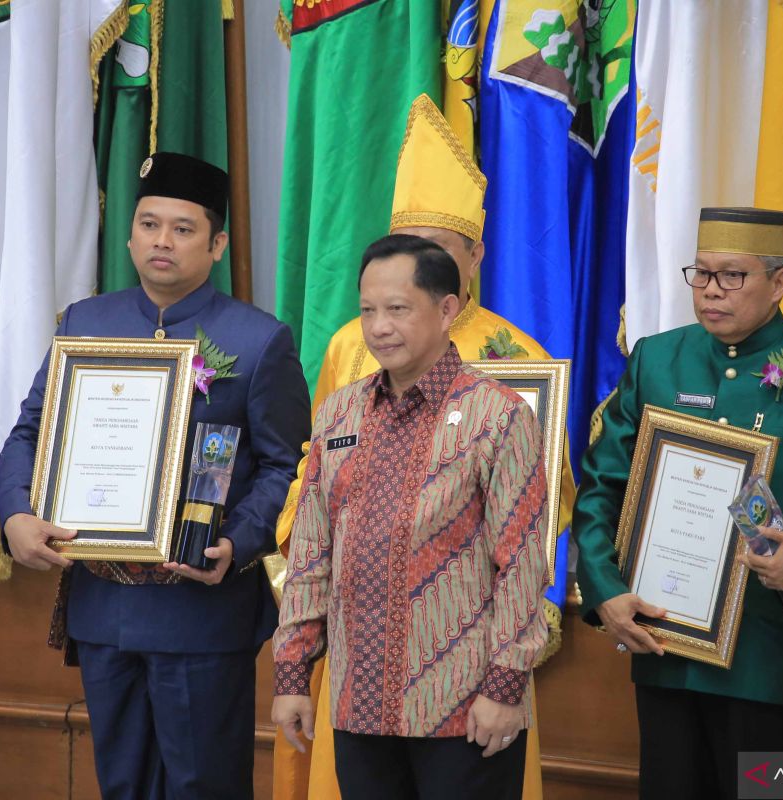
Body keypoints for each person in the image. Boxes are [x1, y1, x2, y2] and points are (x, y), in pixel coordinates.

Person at [270, 93, 575, 800]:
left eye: (397, 309)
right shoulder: (344, 408)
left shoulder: (499, 413)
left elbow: (525, 558)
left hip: (461, 706)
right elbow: (312, 546)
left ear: (447, 306)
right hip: (360, 703)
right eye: (368, 309)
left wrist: (504, 685)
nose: (378, 328)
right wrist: (292, 673)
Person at [0, 152, 310, 799]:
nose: (162, 241)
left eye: (183, 228)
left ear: (217, 242)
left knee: (204, 786)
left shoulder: (257, 341)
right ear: (132, 233)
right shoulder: (86, 323)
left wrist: (241, 541)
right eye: (148, 224)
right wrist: (14, 515)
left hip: (200, 605)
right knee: (123, 783)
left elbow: (289, 464)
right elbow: (32, 432)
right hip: (104, 605)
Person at [573, 207, 783, 800]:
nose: (711, 292)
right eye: (700, 275)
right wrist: (604, 590)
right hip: (666, 641)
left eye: (732, 276)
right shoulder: (657, 358)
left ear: (779, 283)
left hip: (766, 654)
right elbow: (603, 484)